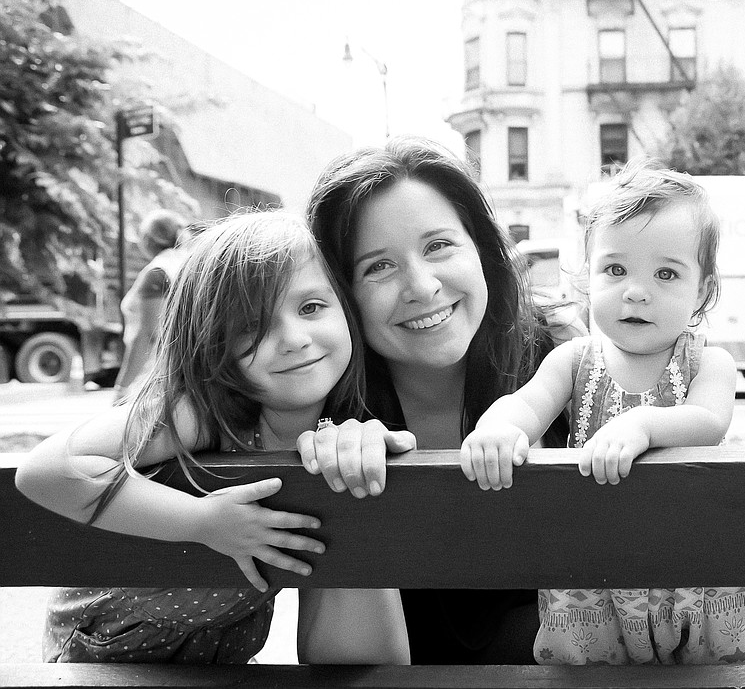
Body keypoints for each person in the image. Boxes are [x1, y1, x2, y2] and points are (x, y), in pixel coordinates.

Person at [15, 211, 411, 665]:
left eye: (311, 307)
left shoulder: (337, 435)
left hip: (215, 662)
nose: (293, 339)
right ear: (209, 343)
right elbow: (43, 470)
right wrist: (201, 522)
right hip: (105, 663)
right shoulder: (202, 413)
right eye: (250, 325)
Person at [460, 162, 745, 665]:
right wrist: (498, 427)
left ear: (702, 291)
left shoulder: (707, 362)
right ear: (588, 276)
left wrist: (641, 424)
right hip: (598, 574)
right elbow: (527, 403)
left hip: (693, 576)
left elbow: (709, 421)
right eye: (615, 269)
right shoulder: (573, 360)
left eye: (666, 273)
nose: (636, 290)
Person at [297, 136, 585, 665]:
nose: (422, 286)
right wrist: (348, 490)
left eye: (438, 246)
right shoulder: (326, 407)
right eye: (377, 267)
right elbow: (344, 667)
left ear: (482, 250)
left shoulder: (564, 361)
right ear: (342, 293)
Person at [114, 209, 191, 401]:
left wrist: (122, 387)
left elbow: (148, 336)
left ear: (148, 239)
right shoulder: (189, 265)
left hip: (152, 382)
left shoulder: (157, 273)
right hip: (183, 379)